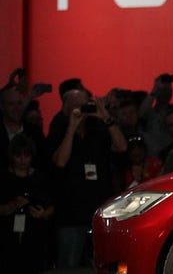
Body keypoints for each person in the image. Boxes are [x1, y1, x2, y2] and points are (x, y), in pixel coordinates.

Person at [48, 89, 127, 268]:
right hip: (70, 214)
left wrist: (105, 116)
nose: (79, 108)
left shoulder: (99, 128)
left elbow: (122, 147)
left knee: (105, 265)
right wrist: (72, 127)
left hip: (99, 211)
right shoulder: (59, 128)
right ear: (65, 106)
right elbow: (60, 162)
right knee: (69, 266)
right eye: (74, 103)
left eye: (83, 103)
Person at [0, 134, 55, 273]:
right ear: (12, 156)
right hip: (7, 239)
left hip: (35, 238)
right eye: (18, 155)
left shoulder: (40, 178)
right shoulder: (3, 179)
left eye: (26, 155)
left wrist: (43, 214)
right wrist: (12, 206)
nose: (22, 160)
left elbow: (53, 206)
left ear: (32, 156)